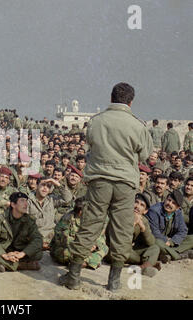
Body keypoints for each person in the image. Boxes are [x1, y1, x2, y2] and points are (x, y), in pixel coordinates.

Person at [59, 83, 153, 292]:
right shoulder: (138, 125)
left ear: (111, 98)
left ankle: (73, 276)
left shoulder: (96, 121)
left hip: (99, 180)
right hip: (126, 183)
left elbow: (89, 145)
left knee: (90, 225)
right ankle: (114, 281)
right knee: (122, 229)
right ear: (131, 102)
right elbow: (145, 154)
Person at [0, 192, 43, 272]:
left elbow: (38, 239)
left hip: (19, 251)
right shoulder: (0, 218)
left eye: (26, 201)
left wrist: (22, 254)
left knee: (38, 254)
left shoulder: (29, 220)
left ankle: (3, 264)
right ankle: (21, 265)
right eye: (22, 201)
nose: (26, 204)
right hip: (4, 249)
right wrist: (4, 255)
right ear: (13, 204)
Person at [50, 197, 108, 270]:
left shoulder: (92, 219)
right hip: (68, 249)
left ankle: (83, 262)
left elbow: (99, 237)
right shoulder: (67, 219)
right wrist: (84, 247)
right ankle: (89, 261)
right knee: (64, 253)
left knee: (104, 249)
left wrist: (95, 246)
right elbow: (62, 239)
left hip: (85, 248)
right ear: (81, 212)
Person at [146, 190, 193, 262]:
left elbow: (183, 230)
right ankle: (178, 255)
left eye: (173, 203)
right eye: (169, 200)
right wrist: (165, 240)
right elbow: (154, 232)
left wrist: (172, 241)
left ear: (177, 207)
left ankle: (169, 254)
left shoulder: (178, 212)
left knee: (191, 238)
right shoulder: (154, 211)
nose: (169, 204)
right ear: (165, 199)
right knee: (157, 242)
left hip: (169, 242)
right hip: (158, 240)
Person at [28, 177, 72, 248]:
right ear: (36, 186)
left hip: (52, 237)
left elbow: (68, 198)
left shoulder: (51, 200)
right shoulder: (28, 201)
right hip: (35, 237)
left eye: (48, 186)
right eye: (43, 185)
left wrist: (56, 183)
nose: (45, 188)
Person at [126, 193, 161, 277]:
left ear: (145, 211)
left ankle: (143, 267)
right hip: (119, 248)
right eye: (136, 202)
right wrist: (134, 223)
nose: (137, 206)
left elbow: (151, 242)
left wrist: (142, 227)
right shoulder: (123, 215)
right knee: (123, 251)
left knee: (155, 247)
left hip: (132, 250)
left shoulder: (144, 220)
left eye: (142, 205)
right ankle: (149, 263)